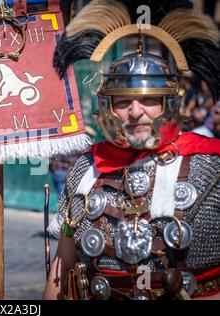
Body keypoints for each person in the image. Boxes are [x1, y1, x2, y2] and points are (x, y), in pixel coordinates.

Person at [44, 0, 220, 300]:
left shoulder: (211, 165)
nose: (135, 112)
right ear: (108, 108)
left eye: (148, 100)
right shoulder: (85, 170)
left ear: (169, 104)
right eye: (123, 102)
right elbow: (63, 266)